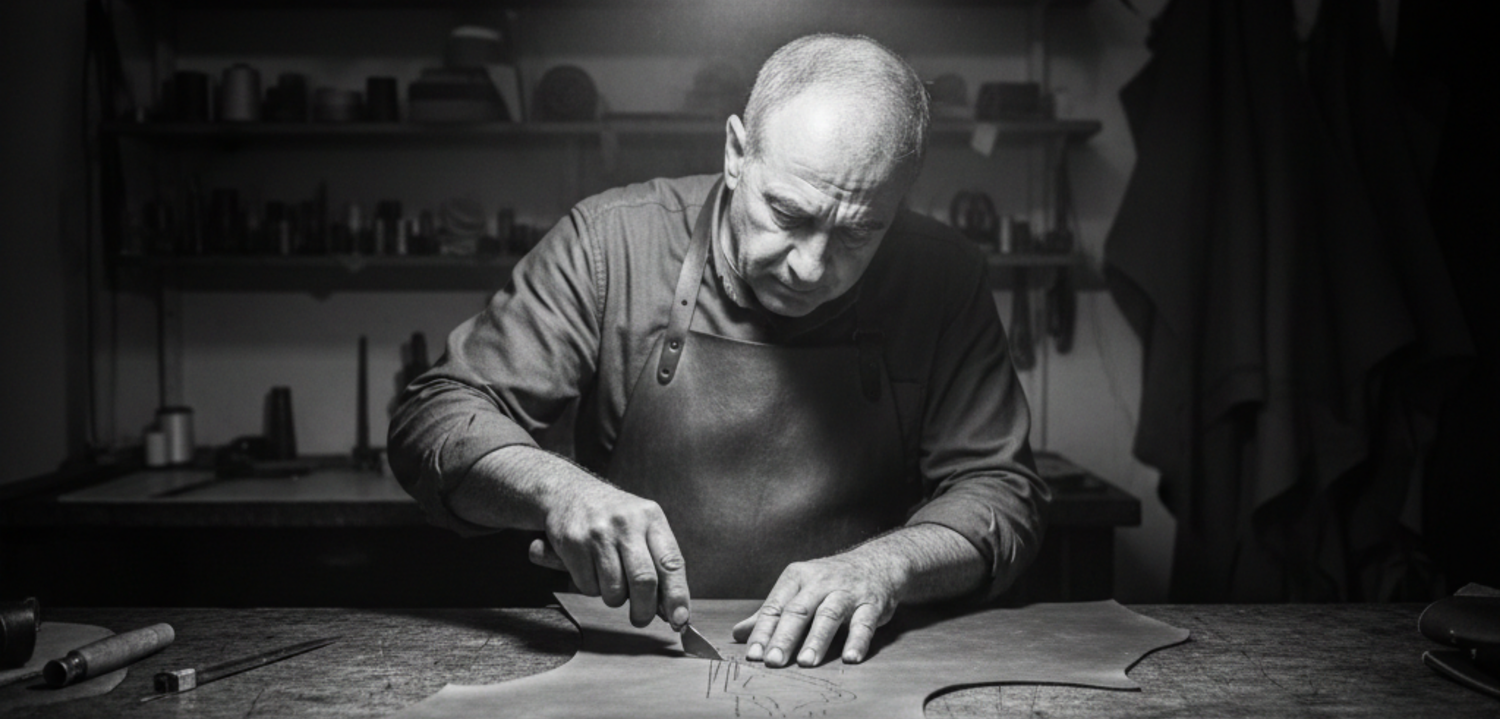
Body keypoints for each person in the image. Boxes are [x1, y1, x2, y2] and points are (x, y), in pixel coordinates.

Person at [389, 33, 1048, 669]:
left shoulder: (942, 276)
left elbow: (1001, 491)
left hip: (853, 662)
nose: (812, 267)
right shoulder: (611, 245)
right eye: (788, 215)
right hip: (633, 654)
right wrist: (559, 492)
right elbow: (436, 417)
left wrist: (887, 567)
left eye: (859, 233)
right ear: (736, 152)